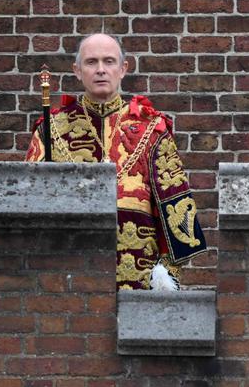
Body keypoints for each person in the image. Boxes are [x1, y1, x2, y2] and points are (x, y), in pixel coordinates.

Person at [25, 33, 207, 290]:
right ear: (77, 71)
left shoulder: (151, 127)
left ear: (123, 69)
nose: (101, 70)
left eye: (109, 61)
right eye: (91, 62)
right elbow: (32, 203)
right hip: (71, 268)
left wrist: (167, 272)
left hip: (139, 269)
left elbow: (176, 202)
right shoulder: (50, 128)